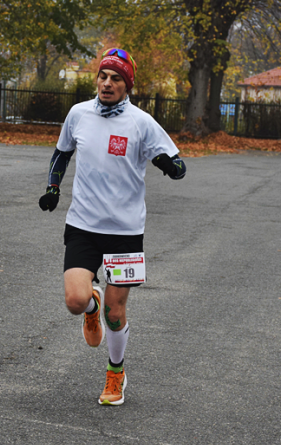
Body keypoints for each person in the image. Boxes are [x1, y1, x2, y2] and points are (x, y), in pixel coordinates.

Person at [38, 48, 186, 406]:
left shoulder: (141, 122)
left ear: (127, 84)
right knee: (75, 300)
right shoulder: (79, 114)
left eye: (116, 78)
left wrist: (169, 164)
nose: (107, 83)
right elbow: (62, 152)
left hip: (125, 231)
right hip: (84, 225)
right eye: (103, 76)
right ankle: (91, 308)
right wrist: (53, 188)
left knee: (116, 315)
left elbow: (178, 164)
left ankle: (115, 373)